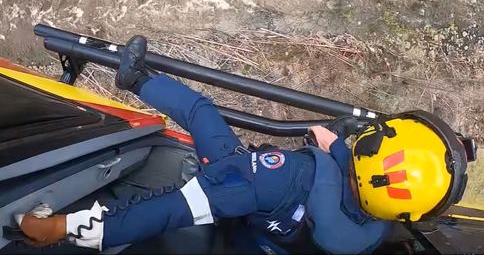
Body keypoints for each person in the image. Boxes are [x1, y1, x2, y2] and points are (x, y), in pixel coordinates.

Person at [15, 36, 469, 254]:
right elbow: (352, 185)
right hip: (267, 236)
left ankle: (135, 77)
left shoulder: (285, 176)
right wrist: (334, 148)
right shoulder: (367, 236)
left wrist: (58, 228)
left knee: (201, 113)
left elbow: (169, 211)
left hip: (242, 188)